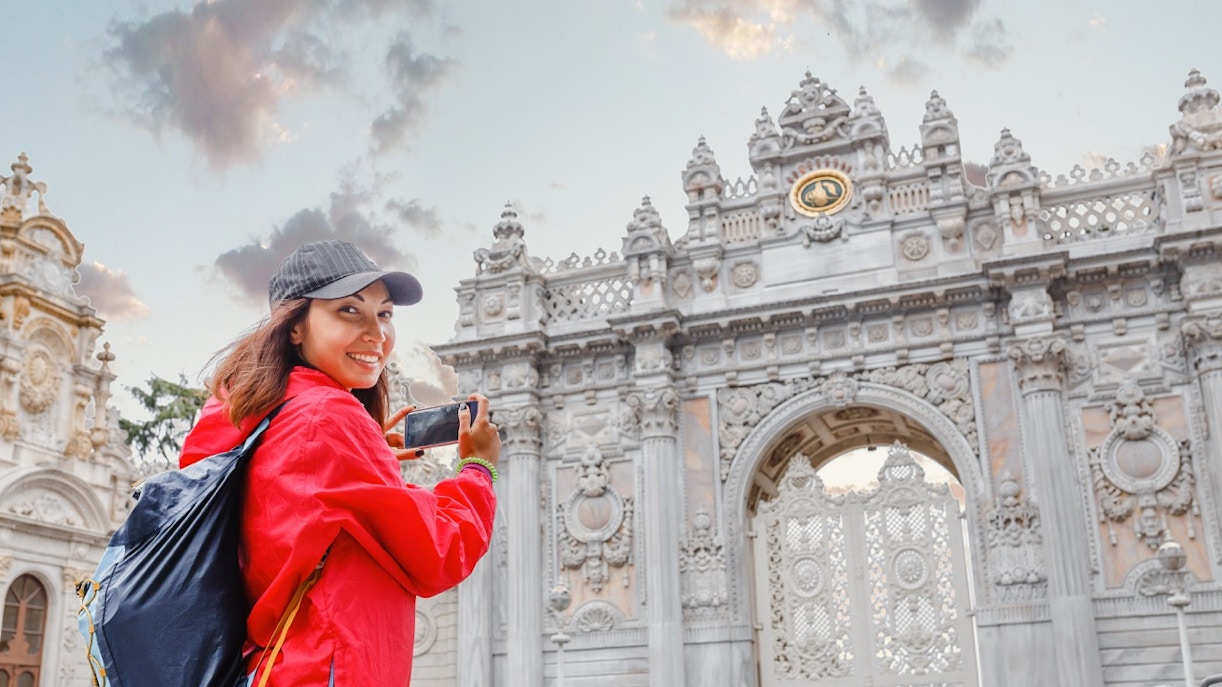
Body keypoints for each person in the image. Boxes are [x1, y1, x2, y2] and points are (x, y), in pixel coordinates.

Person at [178, 239, 500, 686]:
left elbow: (291, 509)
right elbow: (439, 552)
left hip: (275, 666)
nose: (376, 333)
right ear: (294, 326)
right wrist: (479, 471)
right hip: (328, 669)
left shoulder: (249, 411)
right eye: (349, 310)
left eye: (384, 313)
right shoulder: (328, 417)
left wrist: (370, 456)